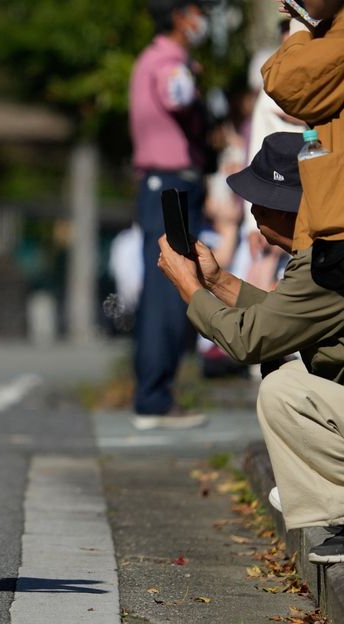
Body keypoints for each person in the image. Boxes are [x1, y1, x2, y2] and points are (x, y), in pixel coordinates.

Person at [155, 132, 344, 563]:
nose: (254, 211)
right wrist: (217, 282)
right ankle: (317, 495)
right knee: (288, 374)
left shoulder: (326, 263)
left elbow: (248, 341)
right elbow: (282, 320)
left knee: (284, 391)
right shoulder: (328, 248)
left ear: (295, 207)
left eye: (263, 200)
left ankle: (334, 504)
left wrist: (189, 288)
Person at [128, 0, 212, 430]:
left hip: (163, 185)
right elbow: (176, 96)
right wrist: (192, 78)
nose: (201, 21)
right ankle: (154, 398)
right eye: (197, 12)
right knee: (168, 289)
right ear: (181, 17)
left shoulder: (154, 59)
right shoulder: (167, 63)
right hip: (171, 186)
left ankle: (154, 392)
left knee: (165, 287)